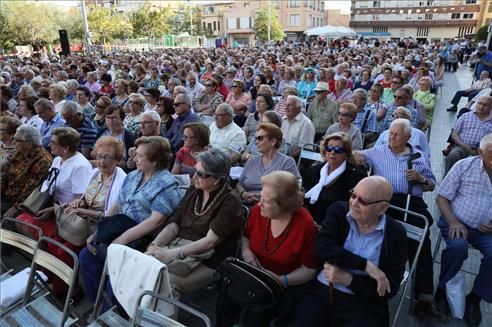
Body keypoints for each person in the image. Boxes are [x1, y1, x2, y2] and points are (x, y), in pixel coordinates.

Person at [354, 119, 443, 321]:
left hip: (411, 202)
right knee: (380, 236)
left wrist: (420, 178)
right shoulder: (378, 151)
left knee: (421, 241)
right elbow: (357, 155)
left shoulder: (418, 156)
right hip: (384, 200)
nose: (391, 137)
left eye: (396, 134)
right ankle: (372, 280)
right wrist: (353, 153)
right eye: (390, 133)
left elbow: (431, 185)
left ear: (408, 138)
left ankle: (424, 296)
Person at [79, 136, 183, 304]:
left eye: (139, 155)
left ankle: (110, 312)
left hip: (140, 239)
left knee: (117, 278)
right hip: (117, 228)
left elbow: (155, 221)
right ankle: (97, 304)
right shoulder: (134, 175)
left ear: (155, 161)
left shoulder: (168, 185)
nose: (134, 158)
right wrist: (100, 232)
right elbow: (117, 204)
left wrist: (121, 240)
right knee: (86, 257)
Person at [293, 176, 408, 327]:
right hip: (323, 290)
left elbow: (388, 288)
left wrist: (348, 279)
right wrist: (365, 265)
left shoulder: (395, 233)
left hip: (363, 302)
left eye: (364, 201)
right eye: (353, 195)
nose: (354, 203)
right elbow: (322, 248)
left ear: (382, 208)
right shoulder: (339, 211)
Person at [145, 148, 243, 298]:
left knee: (165, 283)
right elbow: (174, 224)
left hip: (211, 259)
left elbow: (210, 242)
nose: (194, 176)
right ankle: (141, 318)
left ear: (217, 178)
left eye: (201, 174)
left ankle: (161, 321)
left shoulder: (230, 202)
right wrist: (155, 245)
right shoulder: (195, 189)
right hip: (181, 247)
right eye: (195, 170)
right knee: (145, 269)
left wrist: (171, 254)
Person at [237, 171, 317, 324]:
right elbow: (246, 236)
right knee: (226, 299)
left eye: (266, 201)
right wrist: (246, 251)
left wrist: (281, 280)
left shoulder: (305, 225)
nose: (259, 203)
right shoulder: (257, 211)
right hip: (253, 275)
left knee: (253, 314)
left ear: (284, 204)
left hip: (283, 284)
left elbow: (309, 269)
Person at [434, 133, 492, 327]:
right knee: (458, 248)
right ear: (480, 152)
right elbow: (441, 197)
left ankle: (475, 299)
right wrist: (453, 221)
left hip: (487, 232)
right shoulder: (465, 166)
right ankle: (441, 291)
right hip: (456, 221)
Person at [16, 127, 93, 241]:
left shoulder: (80, 166)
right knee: (19, 220)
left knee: (25, 223)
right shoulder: (57, 159)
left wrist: (53, 210)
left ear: (66, 148)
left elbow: (80, 201)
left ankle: (42, 254)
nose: (49, 145)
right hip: (50, 206)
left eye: (53, 143)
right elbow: (48, 184)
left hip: (66, 216)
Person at [303, 132, 366, 223]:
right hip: (309, 219)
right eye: (329, 148)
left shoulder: (356, 175)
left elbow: (352, 206)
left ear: (346, 153)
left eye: (338, 149)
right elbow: (304, 198)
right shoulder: (313, 171)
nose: (332, 152)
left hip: (336, 222)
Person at [237, 123, 300, 205]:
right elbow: (239, 184)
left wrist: (265, 198)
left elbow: (292, 189)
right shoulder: (252, 160)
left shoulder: (287, 162)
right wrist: (243, 194)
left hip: (274, 207)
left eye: (260, 138)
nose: (256, 142)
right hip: (246, 204)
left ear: (273, 141)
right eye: (256, 138)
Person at [1, 125, 52, 216]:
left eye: (17, 140)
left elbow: (30, 191)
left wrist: (15, 208)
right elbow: (5, 174)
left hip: (19, 203)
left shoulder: (42, 161)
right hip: (7, 195)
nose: (13, 142)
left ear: (29, 144)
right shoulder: (21, 152)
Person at [445, 95, 492, 174]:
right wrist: (465, 147)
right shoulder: (466, 116)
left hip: (482, 152)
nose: (481, 106)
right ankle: (448, 179)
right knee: (453, 155)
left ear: (491, 107)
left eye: (485, 105)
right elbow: (454, 133)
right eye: (479, 103)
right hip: (462, 147)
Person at [96, 105, 135, 170]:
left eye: (114, 118)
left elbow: (128, 164)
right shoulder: (101, 133)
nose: (111, 121)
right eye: (108, 117)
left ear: (122, 119)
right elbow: (93, 153)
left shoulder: (128, 137)